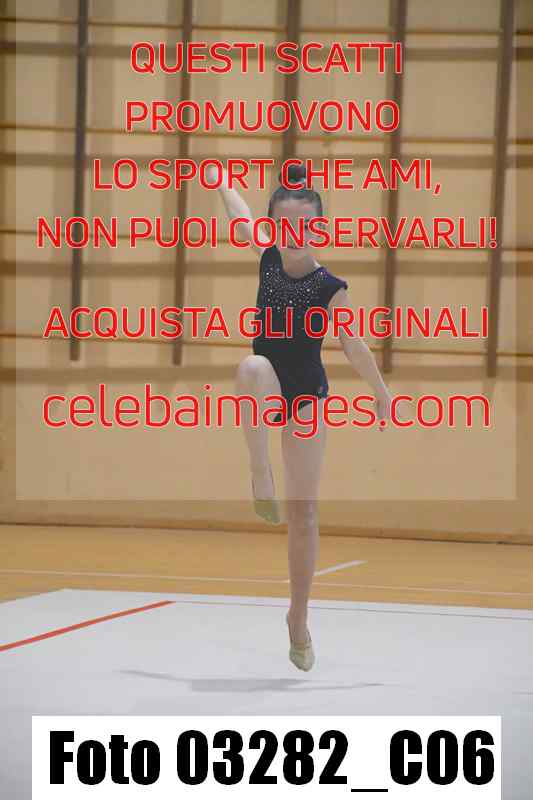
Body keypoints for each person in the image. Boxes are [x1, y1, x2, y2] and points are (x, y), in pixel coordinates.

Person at [208, 163, 393, 671]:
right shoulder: (268, 258)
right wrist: (222, 182)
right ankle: (259, 471)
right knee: (251, 367)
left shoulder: (328, 285)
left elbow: (353, 344)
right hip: (269, 383)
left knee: (305, 514)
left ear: (319, 228)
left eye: (305, 225)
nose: (293, 233)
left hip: (308, 399)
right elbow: (240, 217)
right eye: (284, 224)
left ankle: (298, 617)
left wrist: (381, 393)